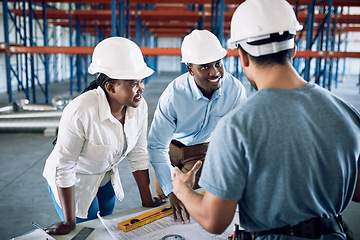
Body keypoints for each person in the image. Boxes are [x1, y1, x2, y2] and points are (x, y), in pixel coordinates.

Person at [172, 0, 360, 239]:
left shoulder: (237, 126)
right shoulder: (345, 111)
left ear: (243, 57)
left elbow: (215, 220)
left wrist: (183, 189)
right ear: (293, 50)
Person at [43, 37, 164, 235]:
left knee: (104, 228)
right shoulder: (81, 111)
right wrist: (69, 222)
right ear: (110, 87)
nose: (141, 88)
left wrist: (147, 200)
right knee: (86, 230)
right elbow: (64, 167)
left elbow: (139, 152)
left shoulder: (139, 107)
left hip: (106, 176)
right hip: (75, 181)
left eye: (141, 81)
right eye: (134, 83)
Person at [148, 29, 247, 223]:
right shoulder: (174, 95)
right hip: (168, 149)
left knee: (192, 203)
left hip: (200, 152)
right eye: (204, 67)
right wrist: (171, 190)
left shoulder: (234, 91)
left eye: (218, 63)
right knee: (164, 197)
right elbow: (156, 146)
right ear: (190, 69)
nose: (214, 72)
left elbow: (238, 137)